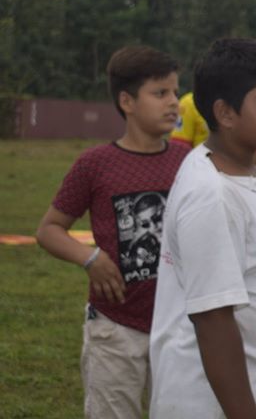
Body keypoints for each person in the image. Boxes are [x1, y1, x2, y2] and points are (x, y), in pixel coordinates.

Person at [149, 37, 256, 418]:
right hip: (216, 405)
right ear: (225, 113)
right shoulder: (212, 196)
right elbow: (213, 321)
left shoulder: (242, 170)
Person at [36, 45, 188, 419]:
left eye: (175, 91)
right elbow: (49, 230)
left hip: (179, 326)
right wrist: (91, 258)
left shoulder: (189, 161)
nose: (174, 102)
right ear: (127, 101)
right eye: (160, 93)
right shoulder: (95, 164)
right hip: (114, 328)